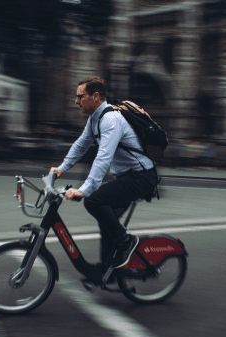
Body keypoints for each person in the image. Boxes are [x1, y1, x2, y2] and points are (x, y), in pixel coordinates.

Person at [49, 77, 158, 270]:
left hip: (142, 176)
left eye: (80, 96)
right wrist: (61, 168)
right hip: (129, 176)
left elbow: (103, 157)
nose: (76, 101)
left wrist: (84, 190)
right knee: (106, 219)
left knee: (93, 201)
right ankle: (105, 269)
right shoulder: (95, 119)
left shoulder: (110, 120)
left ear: (95, 96)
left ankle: (127, 242)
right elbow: (81, 145)